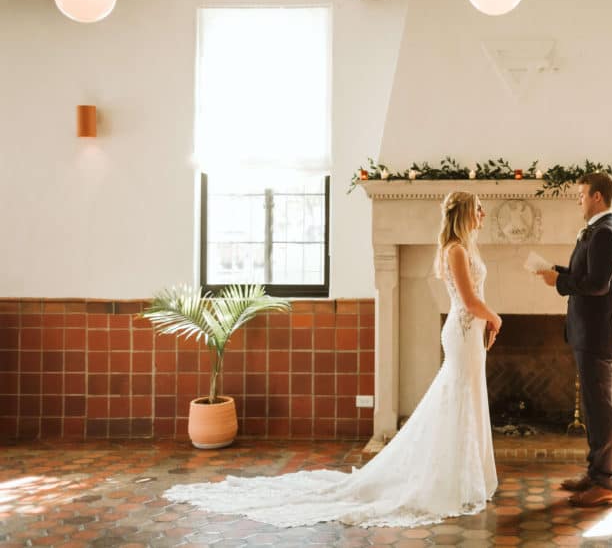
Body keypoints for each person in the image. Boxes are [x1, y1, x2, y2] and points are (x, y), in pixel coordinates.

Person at [163, 191, 502, 528]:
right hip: (463, 329)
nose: (483, 215)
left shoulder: (464, 248)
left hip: (470, 333)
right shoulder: (455, 250)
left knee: (467, 398)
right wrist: (496, 318)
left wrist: (487, 321)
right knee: (458, 398)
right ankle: (452, 480)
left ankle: (464, 476)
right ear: (464, 214)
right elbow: (470, 300)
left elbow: (474, 299)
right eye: (479, 209)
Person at [537, 172, 612, 507]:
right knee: (593, 406)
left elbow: (598, 285)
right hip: (589, 332)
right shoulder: (597, 231)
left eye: (582, 193)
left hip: (598, 334)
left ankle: (607, 483)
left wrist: (559, 282)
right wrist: (557, 271)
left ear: (597, 197)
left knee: (599, 409)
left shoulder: (605, 233)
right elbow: (586, 275)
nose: (579, 199)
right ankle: (596, 473)